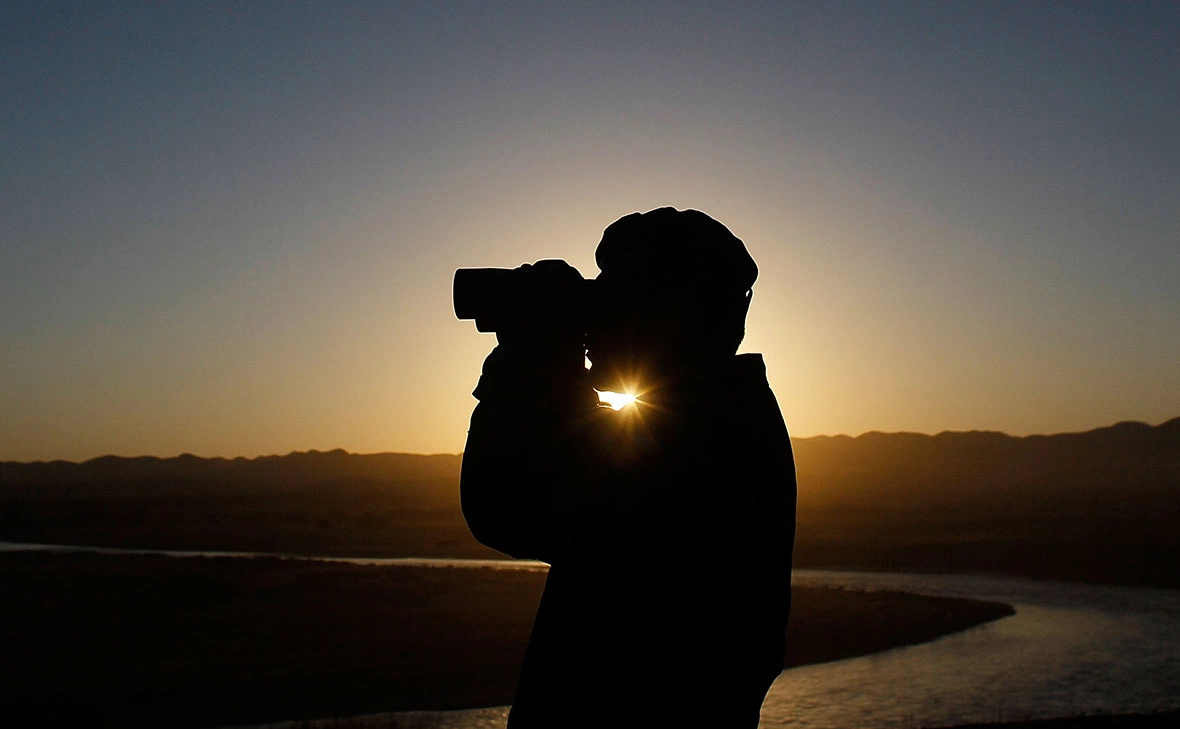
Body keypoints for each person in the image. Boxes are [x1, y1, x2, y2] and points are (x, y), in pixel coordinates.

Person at [460, 207, 796, 728]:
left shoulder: (704, 435)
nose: (593, 318)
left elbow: (507, 505)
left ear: (669, 313)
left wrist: (532, 357)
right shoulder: (718, 415)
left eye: (612, 295)